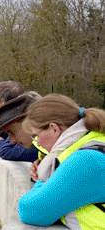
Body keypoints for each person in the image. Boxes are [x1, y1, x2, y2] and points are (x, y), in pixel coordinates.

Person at [18, 94, 105, 229]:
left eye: (36, 136)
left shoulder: (86, 160)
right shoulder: (93, 144)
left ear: (54, 128)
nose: (38, 143)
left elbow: (31, 211)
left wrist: (43, 181)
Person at [0, 92, 41, 162]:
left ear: (28, 122)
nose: (11, 141)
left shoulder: (39, 146)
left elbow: (5, 151)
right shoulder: (40, 146)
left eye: (12, 132)